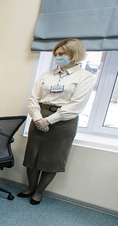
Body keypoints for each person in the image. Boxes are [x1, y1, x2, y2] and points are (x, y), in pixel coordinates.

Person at [19, 38, 95, 205]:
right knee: (32, 157)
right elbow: (33, 99)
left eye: (61, 54)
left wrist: (48, 121)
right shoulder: (46, 75)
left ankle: (38, 192)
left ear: (73, 54)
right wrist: (38, 118)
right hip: (39, 116)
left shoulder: (85, 77)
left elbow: (76, 105)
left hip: (63, 122)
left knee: (52, 160)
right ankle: (30, 187)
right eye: (56, 54)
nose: (57, 57)